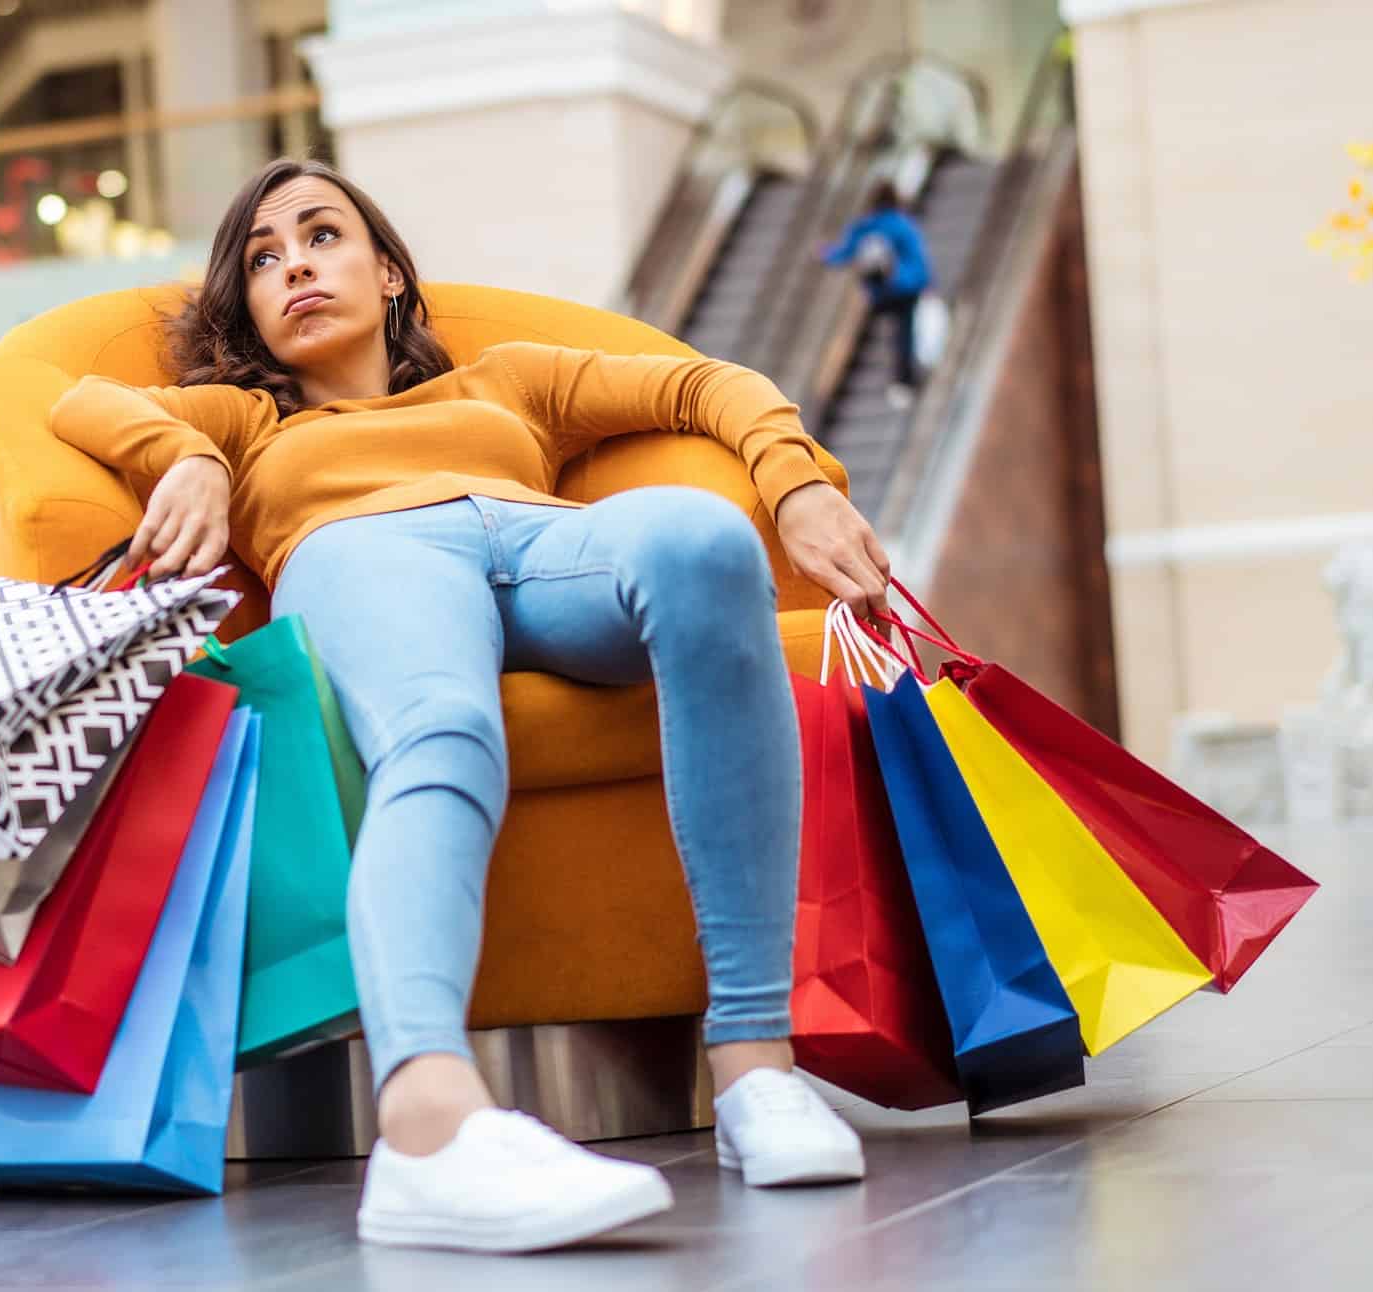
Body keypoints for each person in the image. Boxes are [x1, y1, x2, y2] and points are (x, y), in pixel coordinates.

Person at [49, 159, 891, 1255]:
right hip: (362, 554)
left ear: (390, 272)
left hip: (537, 543)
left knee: (700, 539)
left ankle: (751, 1070)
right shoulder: (245, 418)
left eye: (321, 235)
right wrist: (190, 457)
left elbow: (702, 385)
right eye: (263, 258)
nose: (295, 262)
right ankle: (429, 1128)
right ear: (250, 308)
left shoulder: (505, 383)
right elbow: (77, 397)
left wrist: (793, 480)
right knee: (443, 729)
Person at [821, 181, 934, 407]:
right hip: (905, 288)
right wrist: (926, 283)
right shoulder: (902, 225)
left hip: (880, 292)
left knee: (891, 328)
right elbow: (918, 258)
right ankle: (904, 381)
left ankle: (880, 373)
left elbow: (844, 253)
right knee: (904, 334)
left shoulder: (865, 227)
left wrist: (824, 254)